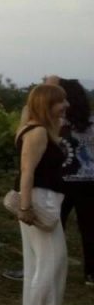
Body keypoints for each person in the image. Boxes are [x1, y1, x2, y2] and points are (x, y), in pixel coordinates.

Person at [15, 82, 70, 305]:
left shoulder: (40, 128)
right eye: (60, 101)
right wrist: (26, 207)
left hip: (43, 200)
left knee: (47, 265)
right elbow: (27, 171)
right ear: (46, 105)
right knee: (50, 264)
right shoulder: (36, 132)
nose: (66, 105)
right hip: (39, 200)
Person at [59, 79, 94, 287]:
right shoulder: (92, 122)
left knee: (54, 227)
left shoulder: (58, 124)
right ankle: (91, 273)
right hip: (90, 182)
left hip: (61, 182)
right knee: (90, 228)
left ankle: (53, 269)